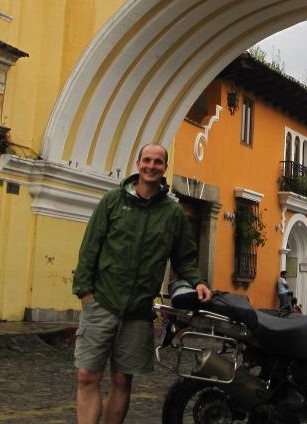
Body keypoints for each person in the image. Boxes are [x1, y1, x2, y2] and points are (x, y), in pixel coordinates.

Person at [72, 143, 212, 424]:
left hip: (138, 311)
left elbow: (184, 257)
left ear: (164, 169)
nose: (151, 166)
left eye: (158, 162)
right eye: (147, 160)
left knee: (123, 380)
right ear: (138, 164)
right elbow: (90, 247)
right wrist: (85, 293)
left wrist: (197, 281)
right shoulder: (112, 201)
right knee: (87, 375)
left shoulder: (172, 213)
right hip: (102, 302)